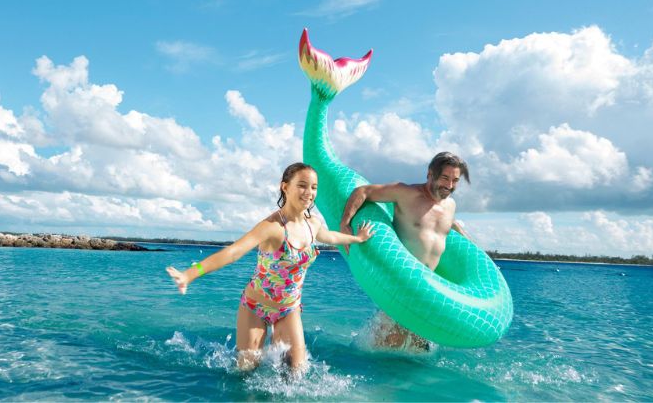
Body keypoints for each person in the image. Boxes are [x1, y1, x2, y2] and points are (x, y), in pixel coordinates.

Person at [166, 162, 374, 372]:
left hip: (289, 308)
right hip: (255, 307)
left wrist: (357, 238)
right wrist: (190, 274)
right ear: (285, 187)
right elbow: (233, 253)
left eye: (314, 187)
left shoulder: (313, 224)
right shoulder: (272, 227)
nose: (309, 192)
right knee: (246, 370)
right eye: (302, 185)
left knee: (296, 372)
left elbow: (330, 236)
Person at [339, 151, 470, 350]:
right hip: (401, 286)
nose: (449, 185)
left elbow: (439, 224)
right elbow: (362, 191)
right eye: (445, 178)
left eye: (455, 180)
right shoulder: (406, 193)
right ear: (430, 174)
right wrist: (345, 223)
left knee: (417, 350)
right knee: (388, 348)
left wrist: (460, 231)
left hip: (426, 290)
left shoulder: (450, 205)